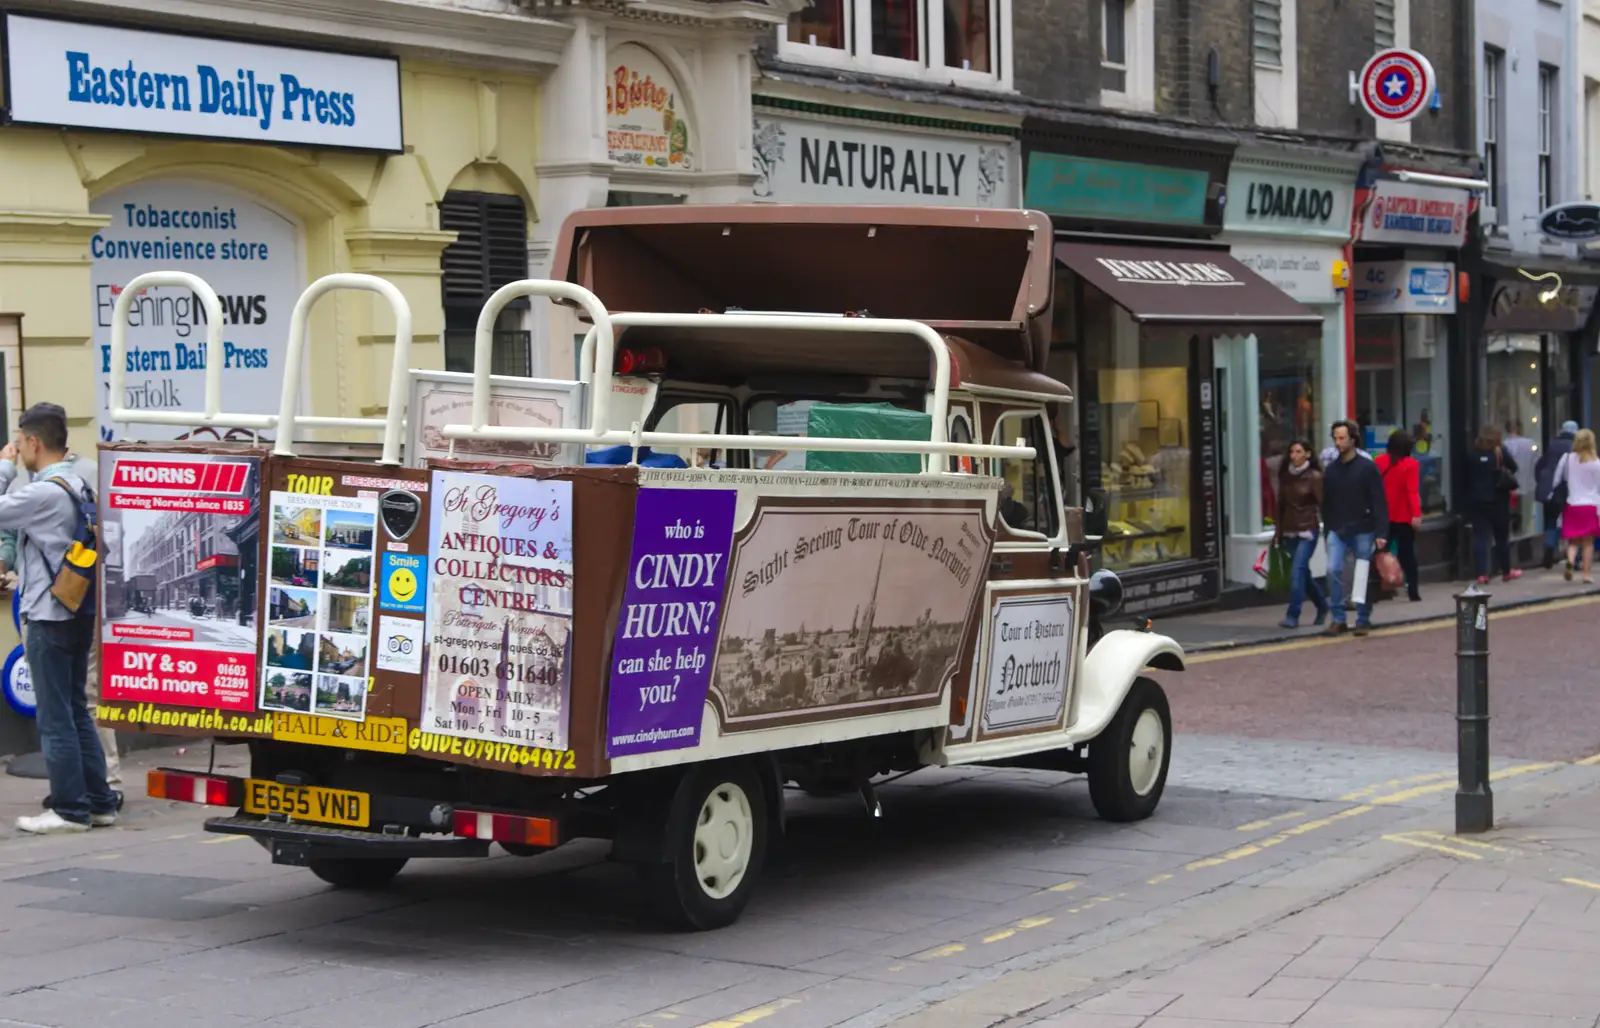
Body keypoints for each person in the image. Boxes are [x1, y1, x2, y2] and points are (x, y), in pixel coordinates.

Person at [0, 404, 116, 834]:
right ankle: (100, 801)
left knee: (55, 716)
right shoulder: (77, 483)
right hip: (74, 610)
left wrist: (3, 470)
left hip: (49, 615)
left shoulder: (45, 490)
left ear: (34, 442)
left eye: (20, 441)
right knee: (75, 709)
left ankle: (69, 810)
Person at [1321, 420, 1389, 636]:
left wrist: (1381, 532)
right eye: (1335, 438)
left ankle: (1362, 618)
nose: (1338, 442)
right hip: (1338, 529)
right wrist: (1328, 529)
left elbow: (1378, 500)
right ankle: (1338, 618)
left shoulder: (1367, 467)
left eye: (1342, 438)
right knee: (1333, 570)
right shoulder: (1331, 470)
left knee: (1361, 573)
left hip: (1363, 527)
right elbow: (1327, 502)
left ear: (1353, 439)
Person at [1272, 439, 1327, 629]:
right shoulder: (1285, 477)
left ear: (1308, 454)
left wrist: (1330, 531)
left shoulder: (1315, 477)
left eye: (1298, 451)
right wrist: (1278, 533)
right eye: (1292, 452)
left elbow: (1324, 505)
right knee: (1303, 574)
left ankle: (1293, 615)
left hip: (1307, 531)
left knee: (1297, 572)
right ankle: (1322, 605)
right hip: (1289, 532)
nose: (1294, 456)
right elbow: (1280, 507)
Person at [1465, 424, 1523, 585]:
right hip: (1498, 499)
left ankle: (1482, 574)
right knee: (1501, 537)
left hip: (1477, 501)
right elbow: (1514, 467)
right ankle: (1506, 571)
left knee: (1481, 537)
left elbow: (1465, 476)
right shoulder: (1500, 451)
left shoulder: (1472, 452)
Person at [1374, 430, 1423, 602]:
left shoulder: (1379, 461)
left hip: (1382, 515)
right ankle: (1413, 591)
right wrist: (1416, 514)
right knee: (1407, 555)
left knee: (1380, 554)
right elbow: (1412, 491)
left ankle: (1383, 588)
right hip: (1403, 516)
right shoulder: (1411, 464)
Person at [1555, 428, 1600, 585]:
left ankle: (1569, 564)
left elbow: (1558, 479)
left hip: (1573, 504)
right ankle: (1586, 575)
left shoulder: (1567, 458)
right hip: (1590, 506)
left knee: (1573, 542)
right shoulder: (1596, 463)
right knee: (1588, 543)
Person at [1535, 420, 1579, 568]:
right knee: (1572, 523)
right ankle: (1574, 558)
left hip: (1550, 491)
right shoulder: (1575, 447)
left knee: (1551, 521)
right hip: (1567, 490)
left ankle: (1549, 545)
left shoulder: (1552, 445)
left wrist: (1542, 485)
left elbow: (1540, 466)